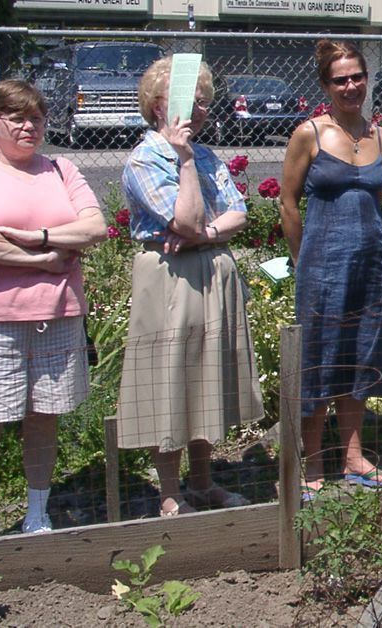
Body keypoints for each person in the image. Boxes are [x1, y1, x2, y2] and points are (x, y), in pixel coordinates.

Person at [117, 57, 263, 517]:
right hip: (169, 278)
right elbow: (185, 218)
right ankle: (169, 490)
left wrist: (209, 234)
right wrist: (182, 163)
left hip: (208, 269)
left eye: (204, 103)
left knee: (205, 377)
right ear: (160, 106)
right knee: (170, 376)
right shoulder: (146, 159)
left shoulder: (206, 155)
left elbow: (237, 213)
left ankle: (202, 482)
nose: (200, 112)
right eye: (191, 103)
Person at [0, 80, 106, 533]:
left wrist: (38, 238)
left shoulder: (61, 169)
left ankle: (37, 512)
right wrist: (45, 259)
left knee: (44, 419)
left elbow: (94, 227)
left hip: (57, 315)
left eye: (35, 118)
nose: (27, 127)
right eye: (16, 118)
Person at [281, 40, 382, 495]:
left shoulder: (381, 137)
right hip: (321, 267)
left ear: (367, 78)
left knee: (362, 354)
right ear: (325, 86)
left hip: (370, 266)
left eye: (357, 77)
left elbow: (375, 199)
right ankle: (313, 460)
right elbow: (288, 202)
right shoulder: (309, 133)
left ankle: (351, 455)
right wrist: (300, 258)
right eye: (340, 80)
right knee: (320, 358)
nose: (350, 86)